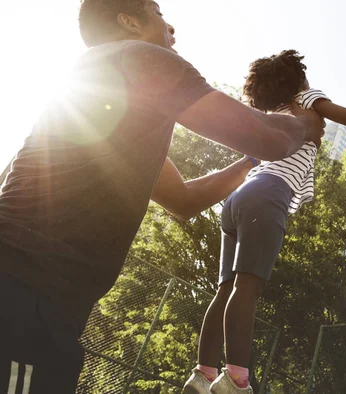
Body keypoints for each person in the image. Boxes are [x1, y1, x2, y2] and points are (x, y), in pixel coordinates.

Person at [0, 1, 325, 392]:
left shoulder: (118, 107)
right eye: (157, 13)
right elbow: (269, 137)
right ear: (129, 22)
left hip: (43, 297)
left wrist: (248, 162)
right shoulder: (138, 55)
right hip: (25, 287)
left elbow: (185, 200)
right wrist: (303, 123)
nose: (171, 27)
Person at [183, 49, 346, 393]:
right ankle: (236, 381)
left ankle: (204, 374)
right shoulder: (306, 99)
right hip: (269, 194)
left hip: (239, 198)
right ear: (297, 80)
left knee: (225, 290)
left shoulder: (274, 113)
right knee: (246, 289)